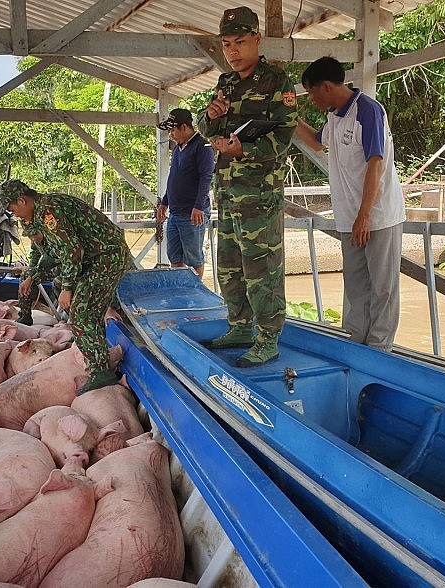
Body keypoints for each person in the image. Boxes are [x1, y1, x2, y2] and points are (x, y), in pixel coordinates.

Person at [197, 6, 297, 367]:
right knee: (229, 265)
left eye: (240, 42)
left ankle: (268, 338)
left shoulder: (277, 83)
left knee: (263, 268)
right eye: (226, 44)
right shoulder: (225, 83)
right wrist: (209, 118)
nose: (233, 51)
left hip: (260, 194)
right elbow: (206, 131)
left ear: (257, 39)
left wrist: (246, 149)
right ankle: (239, 326)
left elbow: (284, 137)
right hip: (227, 191)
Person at [295, 56, 406, 351]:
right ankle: (356, 343)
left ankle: (380, 349)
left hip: (378, 216)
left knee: (383, 286)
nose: (311, 99)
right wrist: (290, 118)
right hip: (349, 217)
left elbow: (376, 163)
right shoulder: (335, 115)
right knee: (356, 285)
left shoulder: (368, 111)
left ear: (327, 86)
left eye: (311, 92)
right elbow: (319, 142)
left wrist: (365, 215)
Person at [0, 179, 134, 394]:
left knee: (82, 312)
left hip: (106, 257)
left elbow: (72, 251)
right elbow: (57, 253)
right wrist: (34, 275)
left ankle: (102, 371)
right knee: (84, 312)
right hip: (94, 258)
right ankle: (94, 354)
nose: (14, 213)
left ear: (22, 200)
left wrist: (67, 287)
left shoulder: (49, 211)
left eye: (12, 208)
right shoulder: (43, 211)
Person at [155, 108, 215, 277]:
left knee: (193, 259)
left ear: (184, 127)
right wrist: (165, 202)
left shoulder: (203, 146)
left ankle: (195, 296)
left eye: (172, 129)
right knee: (174, 257)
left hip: (192, 212)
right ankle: (179, 292)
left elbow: (206, 177)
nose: (171, 134)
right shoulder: (177, 150)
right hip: (174, 212)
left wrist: (199, 206)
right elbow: (173, 178)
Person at [16, 230, 61, 326]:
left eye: (35, 235)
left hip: (62, 268)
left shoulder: (54, 237)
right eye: (30, 237)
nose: (33, 238)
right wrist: (31, 268)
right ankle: (25, 316)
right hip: (47, 268)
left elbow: (49, 260)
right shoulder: (35, 240)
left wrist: (32, 275)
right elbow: (35, 254)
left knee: (31, 275)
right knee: (26, 274)